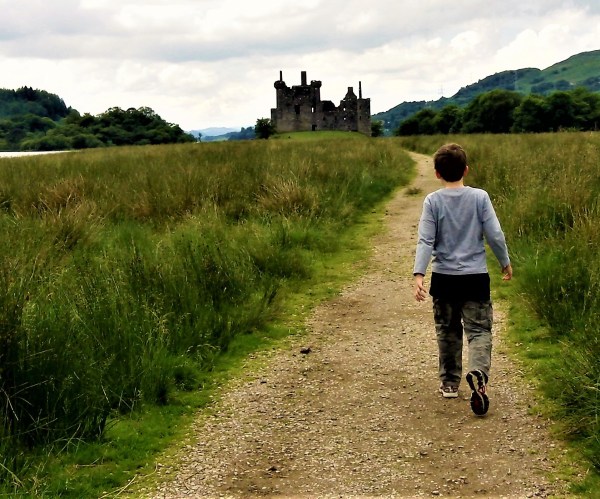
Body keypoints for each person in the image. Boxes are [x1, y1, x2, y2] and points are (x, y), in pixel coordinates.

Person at [413, 143, 512, 416]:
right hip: (475, 278)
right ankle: (478, 372)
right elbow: (494, 234)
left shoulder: (433, 201)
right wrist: (504, 261)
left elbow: (425, 240)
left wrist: (419, 273)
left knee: (448, 331)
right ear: (466, 170)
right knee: (479, 331)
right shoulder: (480, 197)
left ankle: (449, 383)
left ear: (437, 173)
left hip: (444, 279)